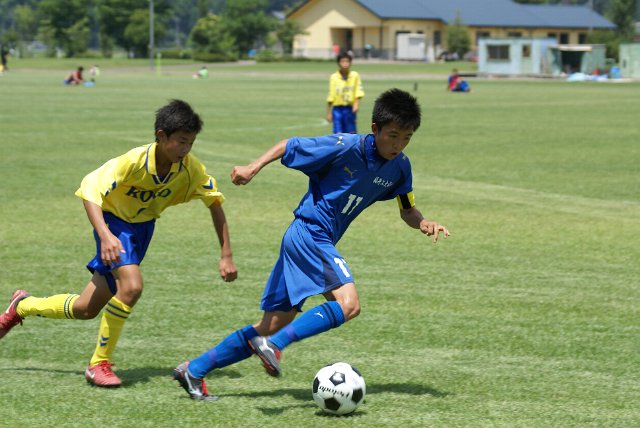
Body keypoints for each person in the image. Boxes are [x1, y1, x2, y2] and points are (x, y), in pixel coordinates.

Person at [173, 88, 450, 401]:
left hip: (307, 239)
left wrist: (423, 222)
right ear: (375, 129)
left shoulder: (400, 167)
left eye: (407, 138)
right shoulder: (344, 146)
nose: (398, 145)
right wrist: (252, 167)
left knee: (271, 323)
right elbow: (289, 145)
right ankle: (274, 345)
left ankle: (193, 370)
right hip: (310, 233)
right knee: (349, 305)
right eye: (393, 136)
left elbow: (408, 210)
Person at [0, 99, 238, 388]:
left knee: (86, 309)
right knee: (132, 287)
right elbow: (90, 191)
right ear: (161, 136)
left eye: (191, 143)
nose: (186, 149)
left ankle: (23, 306)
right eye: (181, 142)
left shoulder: (190, 169)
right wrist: (105, 235)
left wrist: (226, 254)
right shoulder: (133, 162)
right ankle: (98, 364)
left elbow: (214, 203)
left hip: (142, 230)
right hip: (113, 224)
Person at [326, 52, 365, 134]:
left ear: (350, 62)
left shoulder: (355, 75)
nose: (345, 64)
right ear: (338, 63)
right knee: (338, 133)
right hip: (337, 109)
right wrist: (329, 112)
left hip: (349, 109)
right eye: (342, 61)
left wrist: (356, 104)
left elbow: (358, 90)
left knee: (351, 133)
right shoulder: (334, 77)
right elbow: (331, 95)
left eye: (347, 61)